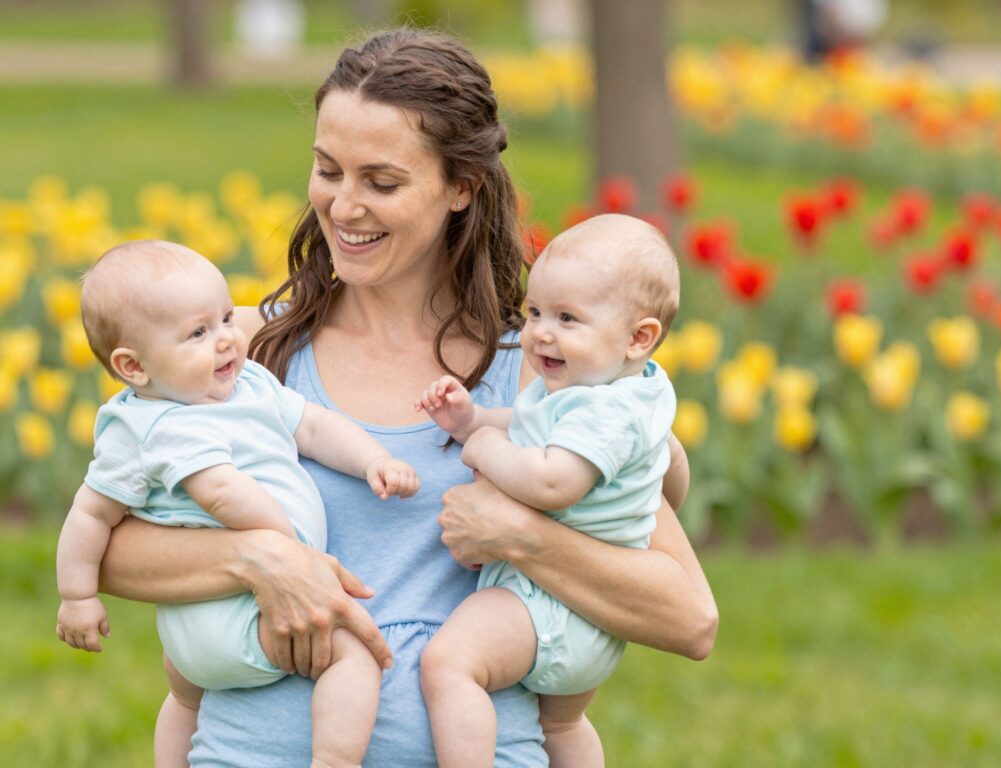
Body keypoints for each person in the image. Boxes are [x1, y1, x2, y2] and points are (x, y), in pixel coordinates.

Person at [97, 29, 719, 766]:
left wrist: (523, 537)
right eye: (328, 170)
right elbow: (106, 543)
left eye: (381, 182)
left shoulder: (540, 374)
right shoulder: (238, 351)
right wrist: (257, 560)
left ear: (462, 188)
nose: (344, 206)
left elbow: (689, 617)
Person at [55, 241, 419, 768]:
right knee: (354, 655)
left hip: (198, 624)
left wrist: (372, 460)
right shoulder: (155, 427)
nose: (227, 339)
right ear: (133, 366)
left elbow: (312, 426)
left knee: (186, 698)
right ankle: (336, 759)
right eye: (198, 333)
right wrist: (77, 595)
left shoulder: (246, 385)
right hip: (232, 615)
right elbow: (99, 511)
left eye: (226, 317)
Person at [415, 213, 686, 767]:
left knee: (449, 663)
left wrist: (483, 449)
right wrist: (474, 420)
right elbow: (532, 426)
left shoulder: (604, 411)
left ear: (639, 337)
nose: (540, 332)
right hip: (588, 613)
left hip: (550, 606)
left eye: (568, 318)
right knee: (560, 725)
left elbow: (551, 481)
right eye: (535, 312)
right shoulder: (623, 389)